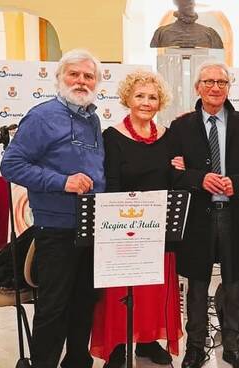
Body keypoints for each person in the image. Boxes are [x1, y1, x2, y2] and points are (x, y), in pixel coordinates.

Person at [0, 49, 106, 368]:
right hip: (56, 230)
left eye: (89, 76)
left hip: (91, 228)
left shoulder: (93, 117)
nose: (81, 81)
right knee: (53, 308)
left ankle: (76, 361)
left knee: (84, 303)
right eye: (74, 74)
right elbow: (11, 165)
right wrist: (63, 182)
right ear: (59, 77)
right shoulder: (42, 116)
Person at [170, 60, 239, 368]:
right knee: (197, 285)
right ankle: (195, 347)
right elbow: (172, 173)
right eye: (209, 82)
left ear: (228, 88)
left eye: (222, 83)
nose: (215, 88)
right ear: (198, 87)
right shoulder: (181, 126)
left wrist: (236, 183)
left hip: (237, 214)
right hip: (198, 217)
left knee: (235, 283)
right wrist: (198, 178)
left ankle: (232, 345)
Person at [89, 70, 183, 367]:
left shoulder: (169, 137)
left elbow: (172, 181)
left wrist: (179, 170)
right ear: (127, 98)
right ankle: (116, 346)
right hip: (122, 227)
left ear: (160, 102)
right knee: (119, 290)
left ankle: (147, 340)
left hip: (158, 228)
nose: (146, 102)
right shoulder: (112, 136)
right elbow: (111, 184)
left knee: (153, 289)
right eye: (140, 96)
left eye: (152, 97)